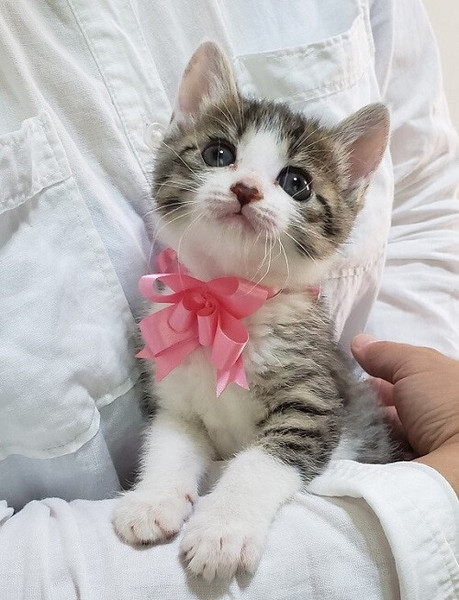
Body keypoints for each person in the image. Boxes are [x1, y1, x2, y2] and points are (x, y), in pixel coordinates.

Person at [0, 0, 458, 598]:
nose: (247, 186)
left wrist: (240, 504)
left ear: (348, 192)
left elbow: (307, 428)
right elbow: (182, 416)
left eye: (294, 182)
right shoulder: (171, 314)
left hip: (355, 474)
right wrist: (162, 489)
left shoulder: (292, 321)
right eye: (221, 155)